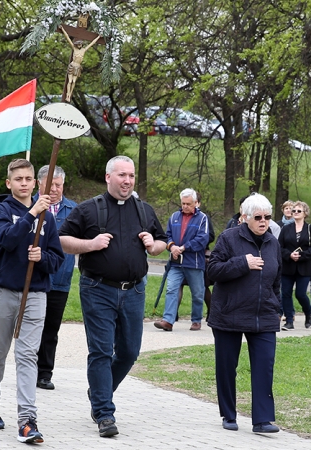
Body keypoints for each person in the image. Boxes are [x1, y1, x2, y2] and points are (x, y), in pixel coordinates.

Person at [58, 156, 167, 438]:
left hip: (134, 291)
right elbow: (62, 240)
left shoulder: (144, 210)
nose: (127, 181)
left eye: (131, 176)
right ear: (108, 177)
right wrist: (90, 244)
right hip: (98, 290)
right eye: (121, 175)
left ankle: (98, 390)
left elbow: (161, 243)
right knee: (101, 351)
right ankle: (104, 413)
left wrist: (153, 245)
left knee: (129, 352)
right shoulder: (89, 210)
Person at [0, 159, 64, 444]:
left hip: (36, 294)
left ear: (35, 183)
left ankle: (27, 420)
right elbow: (8, 240)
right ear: (9, 183)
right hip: (4, 290)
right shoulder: (2, 210)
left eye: (28, 178)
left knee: (27, 355)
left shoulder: (48, 219)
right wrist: (31, 213)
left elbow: (56, 260)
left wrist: (42, 259)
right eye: (19, 179)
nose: (24, 183)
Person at [207, 193, 282, 434]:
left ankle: (262, 420)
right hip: (230, 313)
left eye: (267, 217)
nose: (264, 221)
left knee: (264, 366)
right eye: (258, 217)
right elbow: (212, 271)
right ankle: (228, 414)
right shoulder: (229, 238)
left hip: (264, 315)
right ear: (245, 218)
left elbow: (277, 280)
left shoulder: (273, 242)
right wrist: (242, 263)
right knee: (227, 366)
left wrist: (277, 306)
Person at [34, 165, 78, 391]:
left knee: (51, 328)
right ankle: (27, 369)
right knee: (32, 326)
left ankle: (44, 373)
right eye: (50, 184)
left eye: (59, 185)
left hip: (60, 279)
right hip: (32, 279)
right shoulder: (28, 205)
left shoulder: (73, 209)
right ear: (39, 184)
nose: (54, 190)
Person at [153, 188, 210, 332]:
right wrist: (172, 247)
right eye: (183, 203)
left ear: (196, 203)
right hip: (176, 262)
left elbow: (202, 239)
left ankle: (196, 320)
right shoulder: (174, 217)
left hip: (194, 263)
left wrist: (184, 247)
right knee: (171, 289)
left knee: (198, 293)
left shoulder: (203, 218)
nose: (185, 206)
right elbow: (167, 236)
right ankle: (168, 320)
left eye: (188, 204)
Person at [278, 201, 311, 330]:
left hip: (304, 267)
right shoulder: (286, 228)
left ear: (305, 213)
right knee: (286, 293)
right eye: (294, 210)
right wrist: (289, 255)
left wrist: (301, 256)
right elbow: (280, 247)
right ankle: (289, 320)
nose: (295, 213)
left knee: (300, 294)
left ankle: (308, 314)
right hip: (288, 266)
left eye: (298, 211)